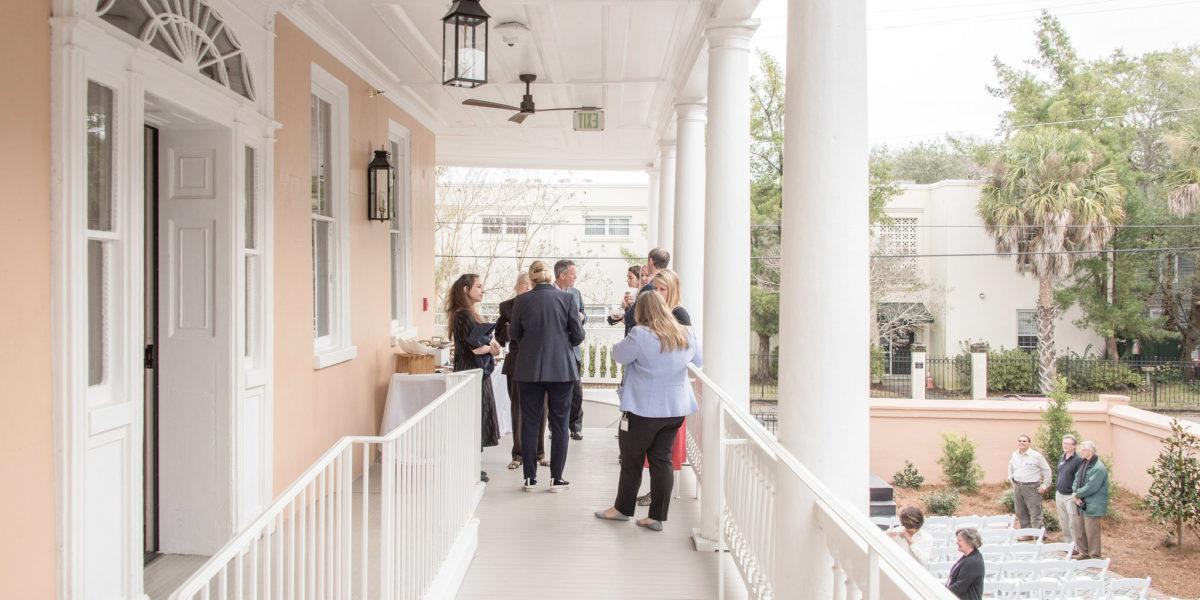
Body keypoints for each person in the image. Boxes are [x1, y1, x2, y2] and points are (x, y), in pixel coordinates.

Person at [594, 292, 702, 532]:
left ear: (641, 312)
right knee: (661, 460)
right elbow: (699, 360)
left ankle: (622, 510)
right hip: (674, 410)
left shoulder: (640, 334)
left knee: (632, 460)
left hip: (642, 410)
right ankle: (656, 518)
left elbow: (618, 356)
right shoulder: (686, 333)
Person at [511, 260, 586, 493]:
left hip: (529, 369)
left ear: (531, 280)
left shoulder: (522, 300)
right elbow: (578, 334)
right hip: (561, 369)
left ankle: (530, 479)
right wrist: (563, 345)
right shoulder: (566, 299)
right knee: (560, 423)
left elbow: (514, 334)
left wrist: (532, 347)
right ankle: (556, 478)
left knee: (531, 422)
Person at [444, 274, 502, 483]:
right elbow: (474, 348)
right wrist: (490, 348)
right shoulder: (463, 315)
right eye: (478, 286)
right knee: (471, 418)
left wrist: (490, 348)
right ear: (466, 289)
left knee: (477, 417)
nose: (482, 290)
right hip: (469, 372)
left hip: (474, 372)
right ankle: (470, 466)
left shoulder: (469, 314)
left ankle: (474, 465)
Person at [495, 273, 547, 471]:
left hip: (539, 363)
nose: (526, 288)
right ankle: (518, 454)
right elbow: (500, 338)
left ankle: (539, 453)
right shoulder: (507, 306)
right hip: (516, 362)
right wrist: (509, 332)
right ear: (517, 286)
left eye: (529, 285)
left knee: (542, 408)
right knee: (518, 409)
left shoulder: (540, 305)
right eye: (523, 285)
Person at [554, 259, 587, 441]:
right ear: (563, 275)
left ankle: (575, 427)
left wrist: (582, 317)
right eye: (573, 274)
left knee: (576, 391)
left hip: (573, 350)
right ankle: (555, 428)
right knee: (555, 391)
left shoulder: (576, 293)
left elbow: (584, 314)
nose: (575, 277)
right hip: (556, 351)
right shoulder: (549, 293)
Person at [1071, 440, 1109, 559]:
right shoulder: (1084, 463)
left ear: (1090, 451)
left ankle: (1095, 557)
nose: (1080, 452)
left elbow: (1091, 487)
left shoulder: (1098, 468)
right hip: (1081, 502)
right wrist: (1075, 493)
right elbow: (1077, 479)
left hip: (1093, 504)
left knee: (1092, 531)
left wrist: (1077, 494)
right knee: (1080, 528)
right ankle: (1084, 552)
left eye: (1083, 449)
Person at [1007, 434, 1051, 535]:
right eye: (1020, 441)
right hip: (1018, 486)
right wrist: (1011, 481)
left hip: (1032, 487)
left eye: (1024, 441)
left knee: (1035, 513)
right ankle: (1027, 534)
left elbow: (1047, 470)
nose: (1021, 443)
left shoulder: (1036, 456)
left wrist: (1045, 485)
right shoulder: (1015, 455)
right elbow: (1010, 467)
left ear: (1029, 443)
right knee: (1021, 512)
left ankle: (1039, 537)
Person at [621, 248, 671, 336]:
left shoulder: (649, 288)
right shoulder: (671, 285)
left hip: (650, 335)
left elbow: (630, 318)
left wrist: (626, 307)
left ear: (650, 261)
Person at [1055, 434, 1084, 544]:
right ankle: (1068, 544)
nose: (1065, 445)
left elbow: (1079, 479)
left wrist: (1076, 494)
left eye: (1068, 444)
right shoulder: (1062, 457)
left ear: (1074, 446)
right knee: (1063, 521)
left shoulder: (1078, 460)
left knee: (1073, 522)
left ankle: (1076, 546)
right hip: (1059, 494)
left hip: (1070, 496)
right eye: (1064, 443)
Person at [946, 528, 984, 600]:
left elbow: (959, 587)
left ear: (969, 542)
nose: (957, 542)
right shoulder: (969, 557)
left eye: (960, 540)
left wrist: (941, 592)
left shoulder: (973, 561)